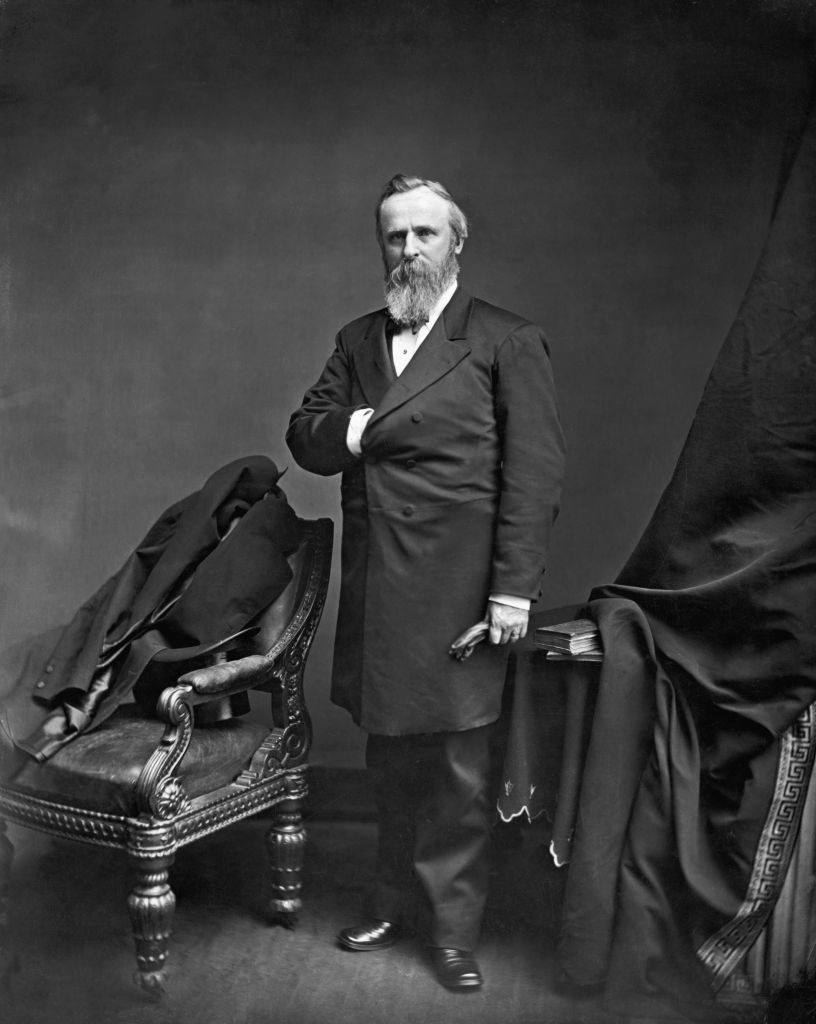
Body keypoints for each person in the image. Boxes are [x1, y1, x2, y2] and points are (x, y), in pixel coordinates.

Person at [286, 174, 565, 991]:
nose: (409, 249)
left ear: (457, 242)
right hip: (381, 589)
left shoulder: (506, 340)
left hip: (460, 593)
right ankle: (391, 902)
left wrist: (512, 593)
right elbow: (305, 435)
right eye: (395, 236)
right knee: (392, 762)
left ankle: (452, 932)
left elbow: (535, 476)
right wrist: (361, 428)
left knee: (459, 771)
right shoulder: (357, 340)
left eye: (425, 234)